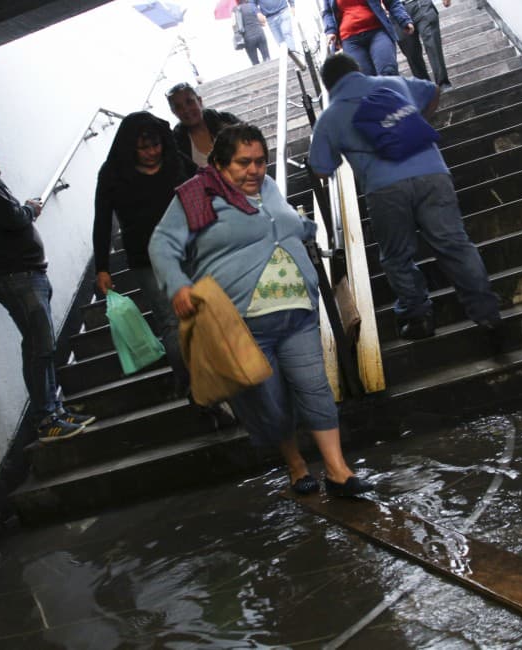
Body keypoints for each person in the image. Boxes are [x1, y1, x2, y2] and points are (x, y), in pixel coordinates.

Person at [149, 123, 373, 497]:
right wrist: (178, 285)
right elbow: (161, 244)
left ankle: (337, 470)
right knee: (271, 402)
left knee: (315, 388)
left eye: (260, 161)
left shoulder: (267, 187)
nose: (254, 170)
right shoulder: (196, 195)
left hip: (298, 311)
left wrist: (305, 227)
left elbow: (282, 223)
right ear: (219, 164)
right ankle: (296, 465)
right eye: (243, 163)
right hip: (242, 322)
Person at [308, 53, 501, 341]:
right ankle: (488, 315)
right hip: (432, 172)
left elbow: (321, 169)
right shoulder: (393, 83)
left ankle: (418, 316)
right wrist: (413, 124)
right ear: (357, 69)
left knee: (397, 257)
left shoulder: (330, 116)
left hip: (384, 188)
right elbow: (433, 91)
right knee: (455, 245)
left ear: (327, 86)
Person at [0, 136, 96, 442]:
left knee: (41, 346)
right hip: (19, 277)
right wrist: (30, 208)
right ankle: (46, 419)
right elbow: (14, 218)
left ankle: (55, 410)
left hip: (23, 276)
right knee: (39, 347)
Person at [93, 112, 196, 397]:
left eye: (156, 145)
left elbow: (203, 182)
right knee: (172, 322)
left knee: (205, 311)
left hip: (188, 247)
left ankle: (214, 375)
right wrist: (102, 267)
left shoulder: (174, 159)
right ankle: (193, 388)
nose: (152, 152)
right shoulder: (113, 172)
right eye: (143, 148)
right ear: (130, 147)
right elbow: (102, 220)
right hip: (146, 259)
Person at [322, 0, 415, 76]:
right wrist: (330, 31)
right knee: (365, 80)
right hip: (350, 40)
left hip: (377, 31)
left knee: (388, 71)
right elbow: (328, 12)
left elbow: (391, 2)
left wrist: (403, 19)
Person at [167, 83, 240, 168]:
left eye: (189, 102)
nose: (186, 110)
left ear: (199, 101)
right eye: (178, 107)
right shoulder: (177, 145)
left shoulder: (226, 120)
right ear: (173, 112)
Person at [397, 0, 452, 90]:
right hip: (396, 12)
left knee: (433, 44)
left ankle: (443, 83)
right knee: (412, 54)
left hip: (421, 5)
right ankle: (425, 88)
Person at [235, 0, 271, 66]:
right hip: (260, 33)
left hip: (248, 38)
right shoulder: (252, 6)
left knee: (255, 62)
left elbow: (235, 25)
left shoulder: (236, 9)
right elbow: (262, 20)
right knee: (267, 58)